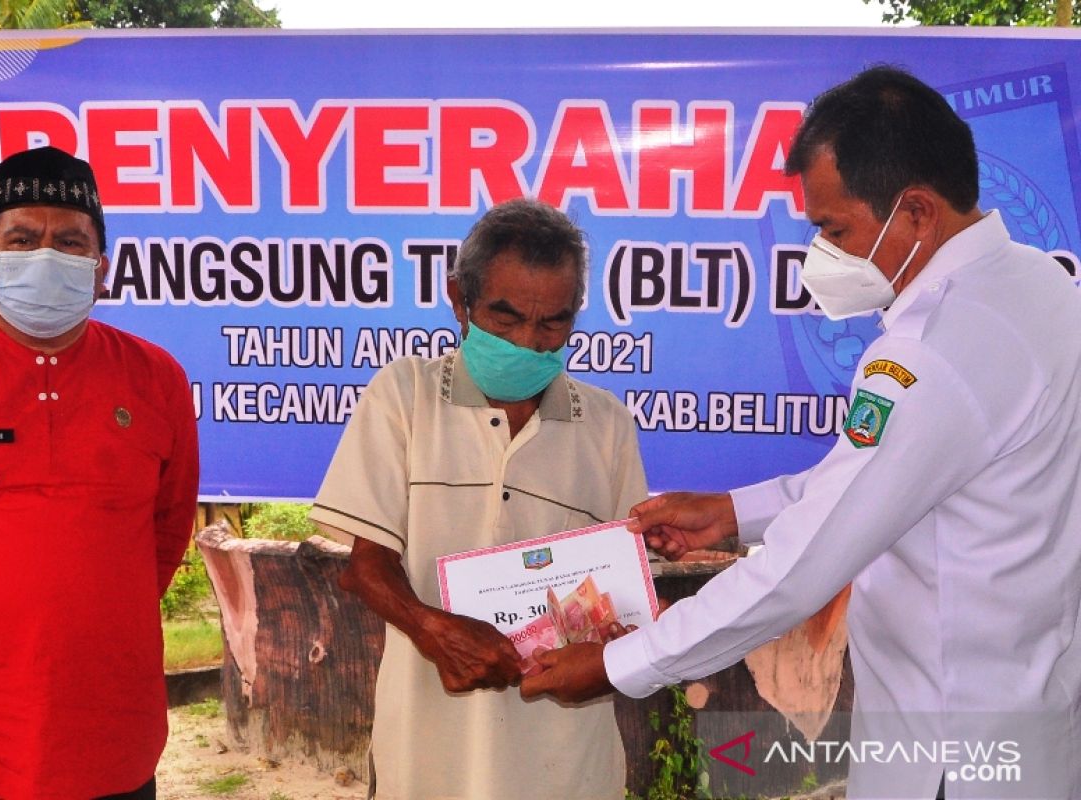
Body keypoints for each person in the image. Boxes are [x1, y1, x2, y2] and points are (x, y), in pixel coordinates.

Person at [522, 66, 1081, 797]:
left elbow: (800, 568)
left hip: (949, 758)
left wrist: (619, 664)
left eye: (834, 229)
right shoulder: (1041, 287)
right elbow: (893, 480)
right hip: (1029, 727)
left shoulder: (931, 350)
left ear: (915, 211)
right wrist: (731, 512)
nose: (823, 253)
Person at [0, 147, 200, 799]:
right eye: (23, 238)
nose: (47, 256)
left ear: (101, 270)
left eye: (70, 242)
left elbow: (164, 538)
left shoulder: (156, 379)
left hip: (111, 735)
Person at [309, 198, 647, 800]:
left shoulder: (607, 425)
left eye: (553, 324)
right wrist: (430, 629)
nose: (527, 342)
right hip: (429, 753)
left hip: (566, 762)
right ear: (459, 301)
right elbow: (367, 568)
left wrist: (622, 650)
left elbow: (622, 601)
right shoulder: (404, 395)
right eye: (506, 317)